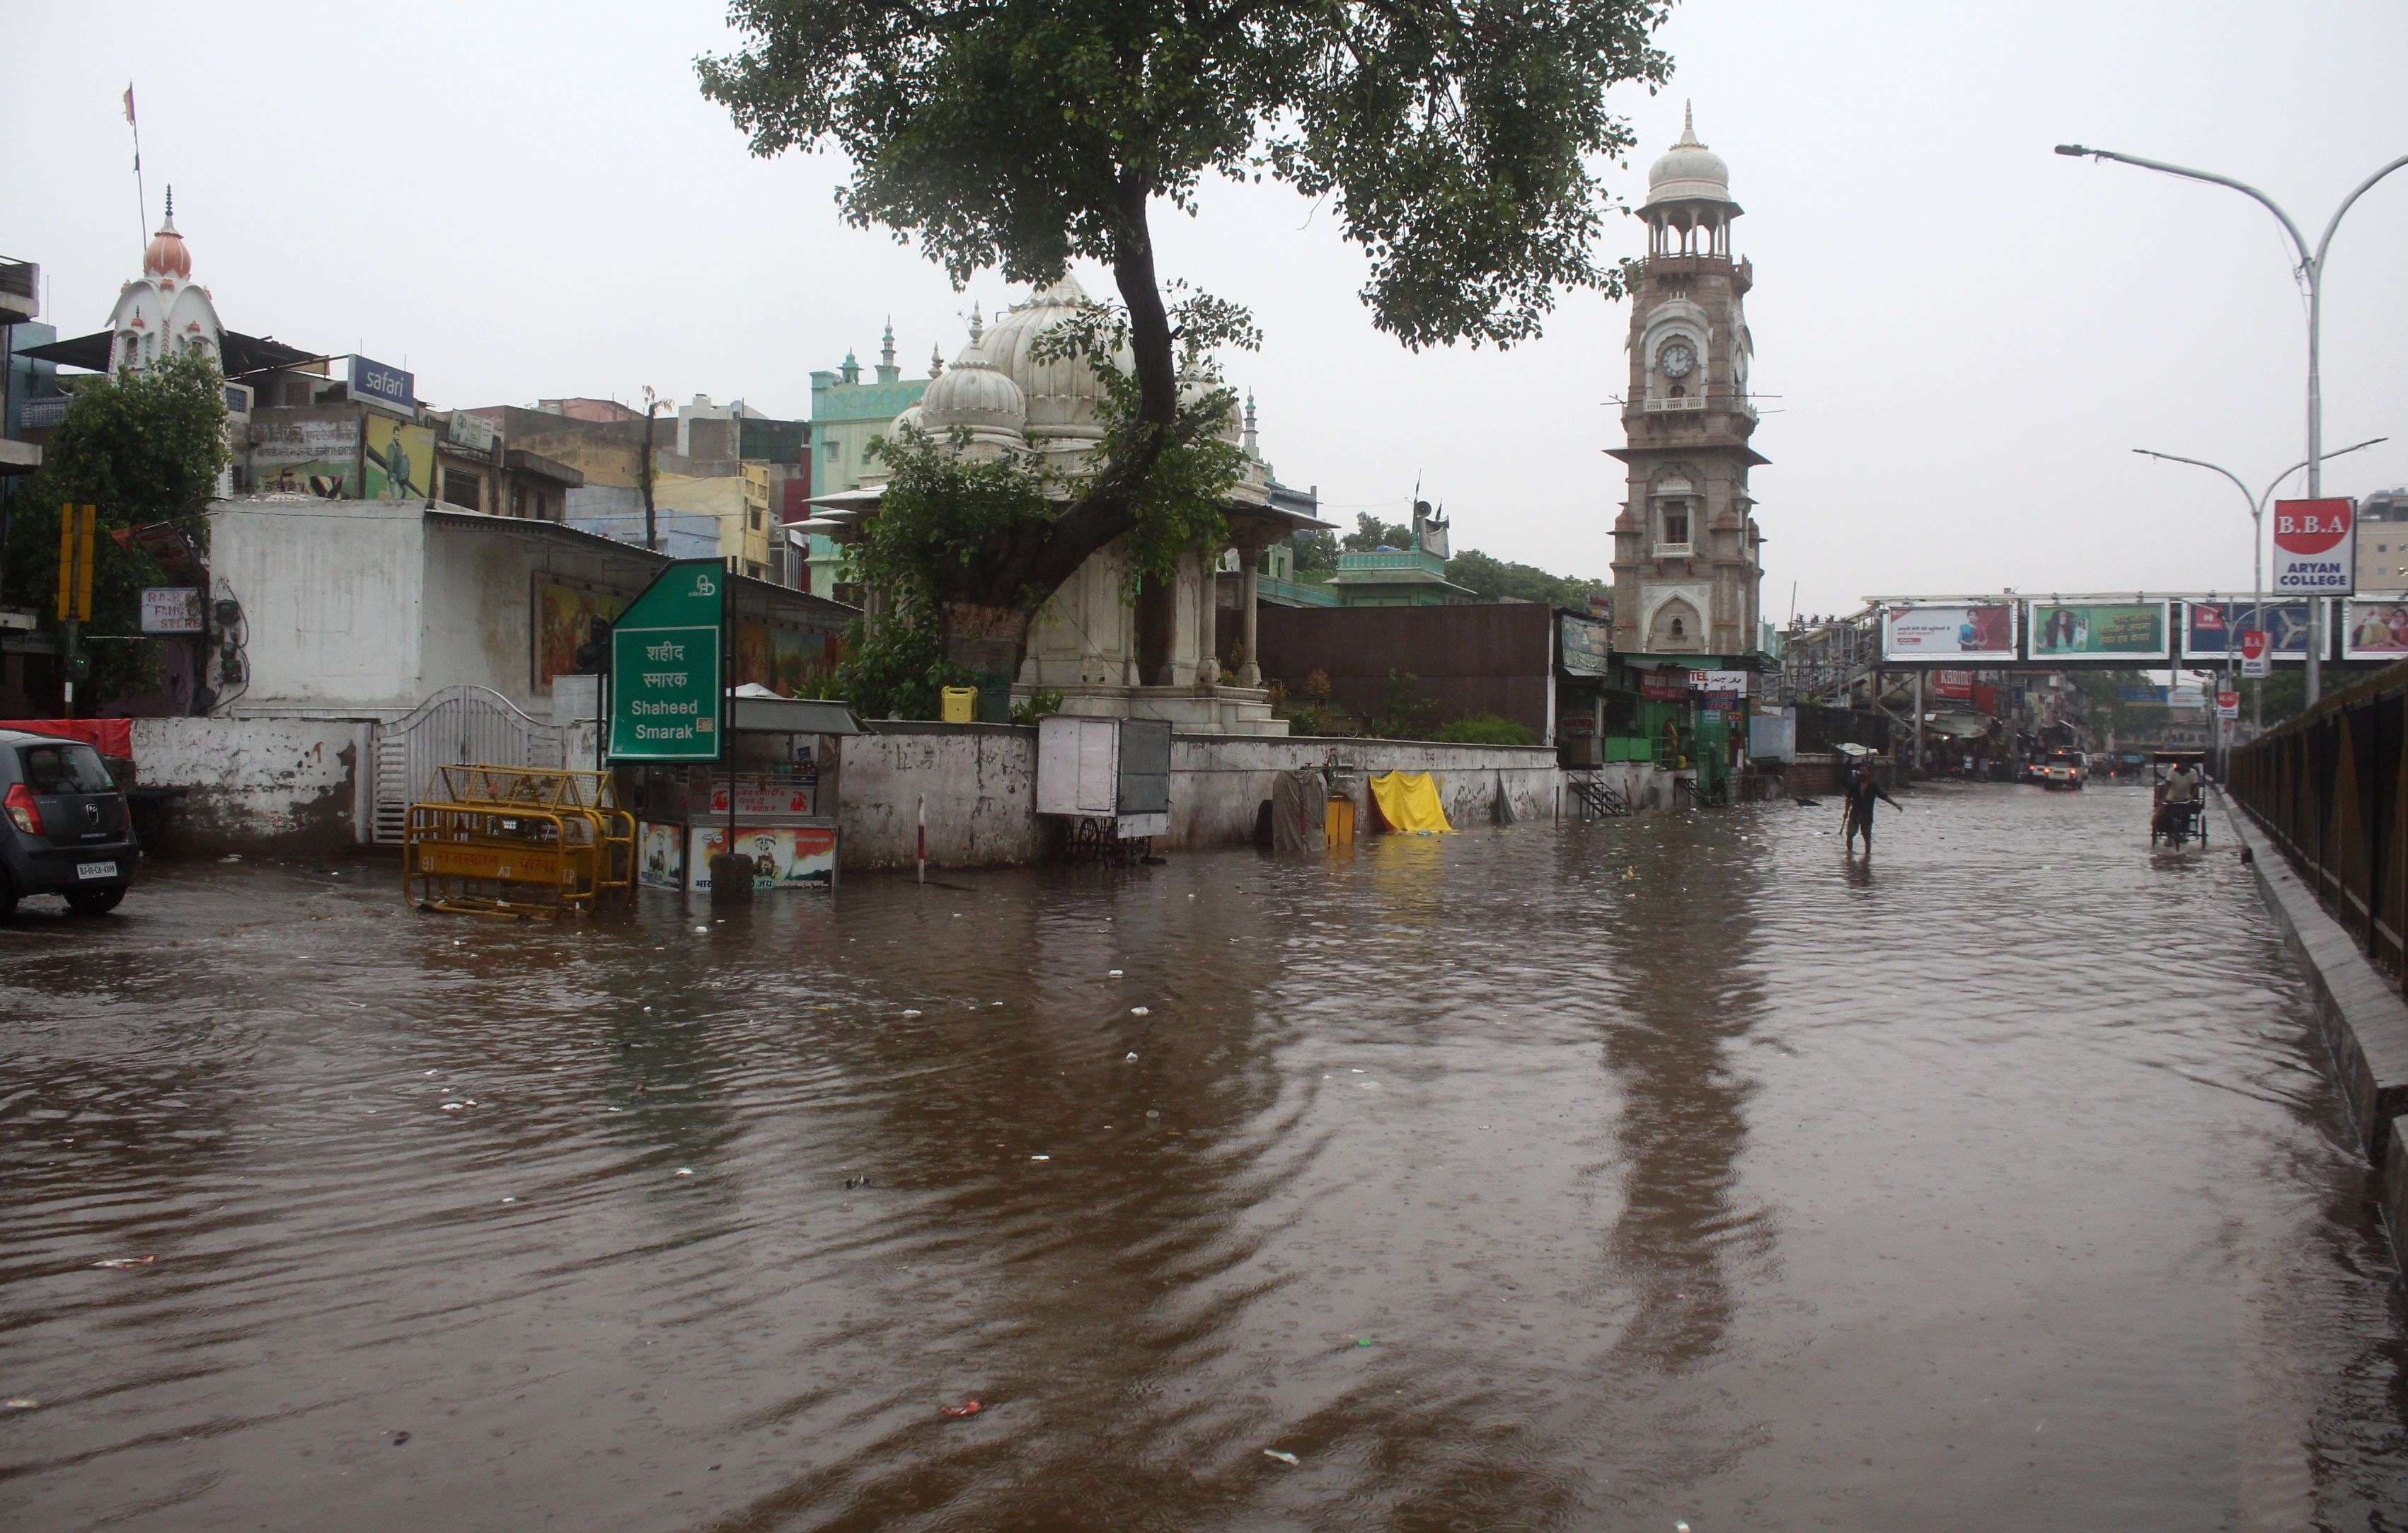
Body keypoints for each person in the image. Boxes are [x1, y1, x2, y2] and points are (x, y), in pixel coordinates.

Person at [1842, 762, 1899, 859]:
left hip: (1867, 815)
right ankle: (1849, 856)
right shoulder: (1855, 785)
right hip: (1855, 814)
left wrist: (1895, 805)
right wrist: (1846, 812)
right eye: (1861, 771)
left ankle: (1867, 858)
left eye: (1864, 771)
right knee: (1850, 835)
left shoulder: (1873, 786)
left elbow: (1884, 797)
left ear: (1869, 773)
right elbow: (1848, 798)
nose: (1862, 773)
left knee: (1867, 838)